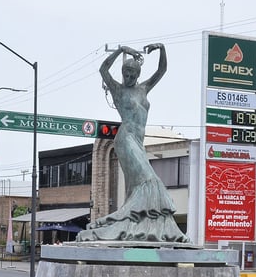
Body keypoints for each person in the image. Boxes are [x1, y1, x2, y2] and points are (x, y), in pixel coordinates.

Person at [76, 43, 188, 243]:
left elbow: (162, 70)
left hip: (139, 142)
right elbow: (103, 69)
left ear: (137, 75)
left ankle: (141, 227)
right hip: (125, 139)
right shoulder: (117, 89)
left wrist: (162, 48)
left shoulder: (143, 88)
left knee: (136, 187)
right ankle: (139, 226)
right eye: (125, 74)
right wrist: (122, 50)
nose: (128, 78)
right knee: (149, 180)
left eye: (132, 75)